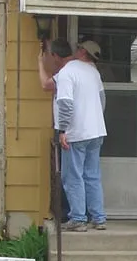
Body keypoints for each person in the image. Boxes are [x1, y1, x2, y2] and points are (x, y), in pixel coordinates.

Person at [55, 40, 108, 231]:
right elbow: (102, 100)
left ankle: (78, 218)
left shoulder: (67, 72)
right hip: (96, 131)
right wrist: (93, 119)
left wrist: (62, 130)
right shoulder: (93, 72)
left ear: (82, 52)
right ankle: (98, 218)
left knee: (73, 177)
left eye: (78, 48)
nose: (75, 50)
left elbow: (65, 103)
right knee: (92, 176)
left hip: (76, 133)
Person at [38, 39, 76, 223]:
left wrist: (40, 62)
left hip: (66, 129)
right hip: (82, 128)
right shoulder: (78, 69)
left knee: (66, 173)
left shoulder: (65, 73)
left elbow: (46, 85)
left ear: (55, 56)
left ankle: (67, 213)